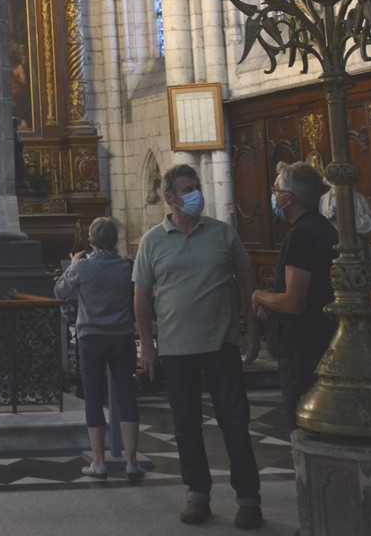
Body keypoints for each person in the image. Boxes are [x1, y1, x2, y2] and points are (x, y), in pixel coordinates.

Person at [134, 163, 263, 529]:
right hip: (175, 348)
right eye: (188, 189)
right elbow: (141, 296)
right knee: (186, 425)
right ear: (170, 197)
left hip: (221, 343)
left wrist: (253, 332)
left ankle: (249, 499)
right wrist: (147, 345)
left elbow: (247, 283)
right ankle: (197, 495)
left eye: (197, 186)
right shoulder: (153, 241)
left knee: (235, 423)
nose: (196, 194)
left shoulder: (223, 234)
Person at [55, 216, 141, 480]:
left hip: (92, 337)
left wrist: (73, 265)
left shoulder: (83, 268)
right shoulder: (127, 266)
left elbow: (59, 291)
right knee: (126, 395)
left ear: (90, 241)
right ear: (115, 241)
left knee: (93, 397)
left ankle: (99, 461)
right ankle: (131, 462)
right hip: (122, 336)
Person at [251, 161, 337, 420]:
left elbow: (294, 302)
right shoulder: (324, 228)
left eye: (276, 190)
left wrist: (259, 295)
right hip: (321, 338)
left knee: (302, 423)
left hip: (303, 349)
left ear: (287, 199)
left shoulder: (300, 236)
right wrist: (273, 308)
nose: (273, 196)